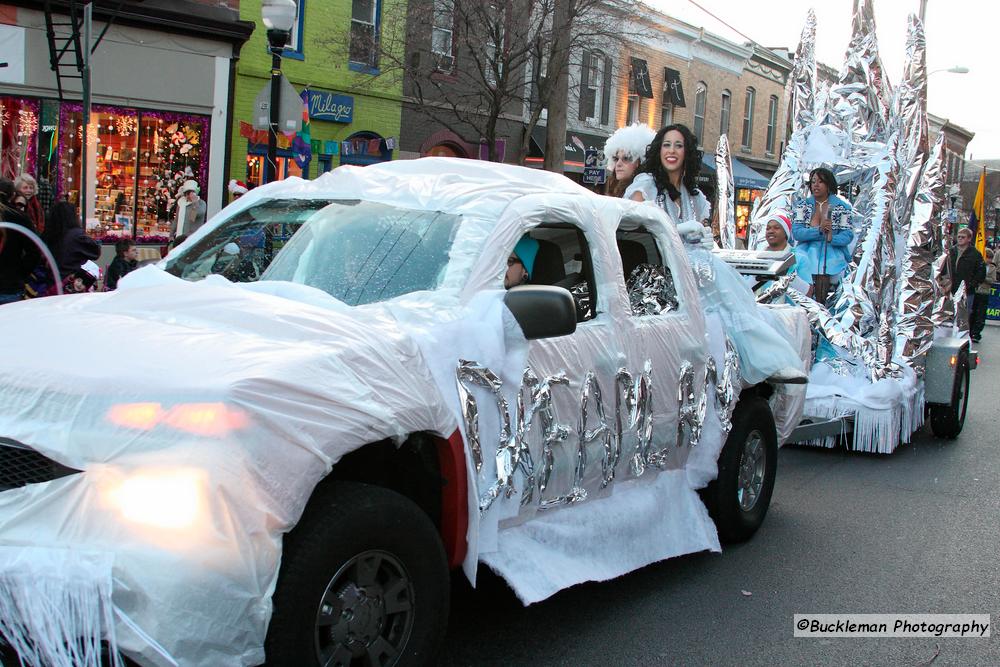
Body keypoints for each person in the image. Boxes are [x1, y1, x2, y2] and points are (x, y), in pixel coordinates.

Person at [624, 123, 805, 384]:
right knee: (717, 292)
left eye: (678, 145)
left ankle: (768, 361)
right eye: (666, 145)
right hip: (660, 269)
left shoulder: (693, 196)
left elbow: (698, 236)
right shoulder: (647, 185)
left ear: (687, 152)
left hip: (695, 266)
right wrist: (675, 230)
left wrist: (703, 239)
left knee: (734, 302)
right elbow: (631, 224)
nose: (671, 151)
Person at [792, 167, 854, 292]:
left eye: (820, 182)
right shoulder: (802, 206)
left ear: (828, 184)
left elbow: (847, 235)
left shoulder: (842, 207)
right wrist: (818, 231)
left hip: (833, 255)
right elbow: (797, 232)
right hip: (806, 254)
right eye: (813, 181)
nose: (816, 185)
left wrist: (832, 238)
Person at [41, 201, 101, 286]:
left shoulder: (49, 234)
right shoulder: (76, 236)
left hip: (51, 281)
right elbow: (95, 253)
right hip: (69, 281)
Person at [0, 179, 40, 304]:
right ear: (13, 195)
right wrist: (20, 273)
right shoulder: (19, 217)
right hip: (9, 284)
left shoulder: (17, 217)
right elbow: (35, 251)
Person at [603, 124, 655, 198]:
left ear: (639, 162)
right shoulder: (622, 187)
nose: (618, 164)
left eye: (626, 158)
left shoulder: (643, 183)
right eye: (616, 159)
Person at [949, 226, 986, 322]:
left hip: (967, 291)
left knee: (964, 316)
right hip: (950, 289)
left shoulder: (975, 254)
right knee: (949, 315)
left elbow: (981, 272)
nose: (960, 239)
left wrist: (971, 285)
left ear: (969, 239)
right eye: (959, 237)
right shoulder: (951, 251)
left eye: (963, 237)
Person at [971, 247, 995, 343]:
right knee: (972, 312)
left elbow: (992, 280)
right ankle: (970, 331)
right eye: (987, 257)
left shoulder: (992, 268)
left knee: (981, 313)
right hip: (976, 291)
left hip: (984, 293)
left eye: (990, 258)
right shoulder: (978, 265)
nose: (988, 260)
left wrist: (984, 278)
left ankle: (977, 333)